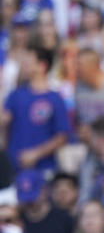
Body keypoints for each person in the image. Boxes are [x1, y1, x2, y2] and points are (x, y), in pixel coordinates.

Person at [1, 42, 70, 173]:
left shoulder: (55, 98)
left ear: (42, 66)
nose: (24, 65)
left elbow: (62, 136)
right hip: (14, 169)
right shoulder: (16, 94)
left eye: (29, 62)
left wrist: (36, 154)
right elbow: (3, 120)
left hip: (44, 169)